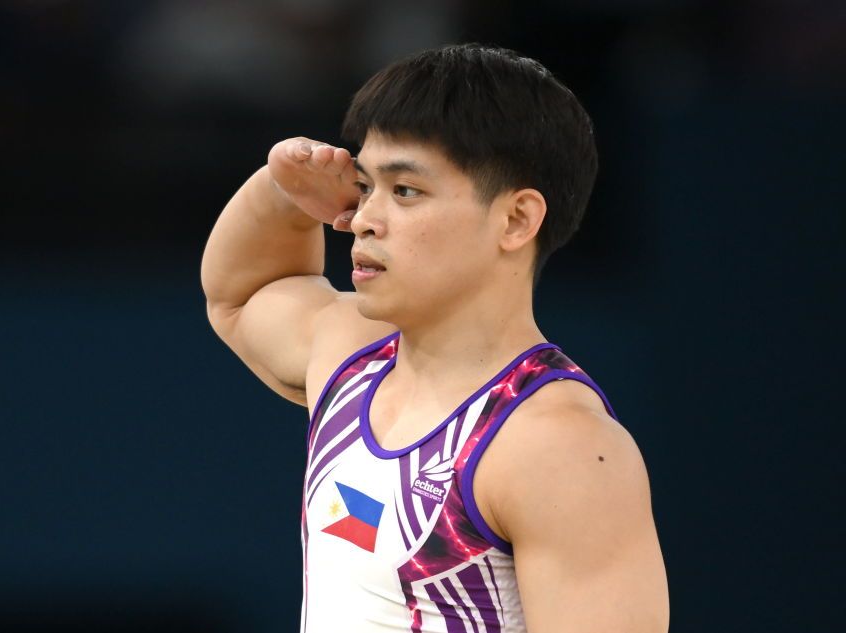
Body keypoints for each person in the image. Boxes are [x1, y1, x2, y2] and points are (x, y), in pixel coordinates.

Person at [201, 43, 669, 633]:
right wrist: (286, 192)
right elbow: (241, 295)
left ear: (516, 220)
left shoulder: (558, 448)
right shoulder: (352, 355)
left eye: (406, 191)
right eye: (365, 186)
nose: (365, 218)